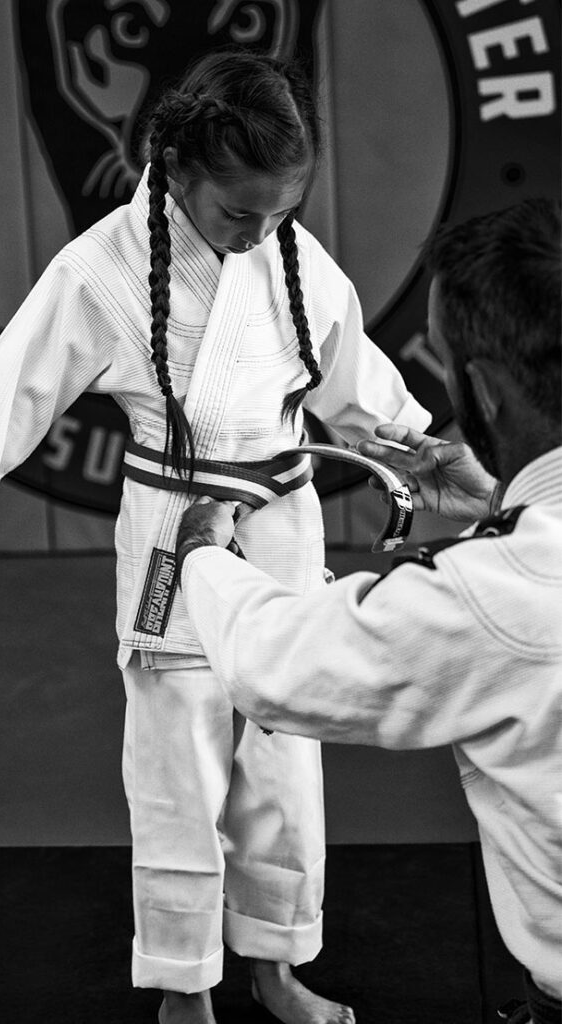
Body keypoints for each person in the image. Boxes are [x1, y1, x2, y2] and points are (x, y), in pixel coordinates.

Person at [0, 50, 431, 1024]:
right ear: (178, 173)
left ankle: (276, 965)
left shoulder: (289, 255)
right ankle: (182, 983)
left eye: (275, 214)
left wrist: (425, 456)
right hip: (174, 530)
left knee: (286, 757)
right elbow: (11, 391)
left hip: (282, 530)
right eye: (235, 214)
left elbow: (358, 389)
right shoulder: (100, 270)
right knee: (178, 761)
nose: (254, 236)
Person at [175, 197, 562, 1024]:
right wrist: (498, 499)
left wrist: (204, 548)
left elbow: (273, 667)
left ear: (483, 395)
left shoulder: (490, 593)